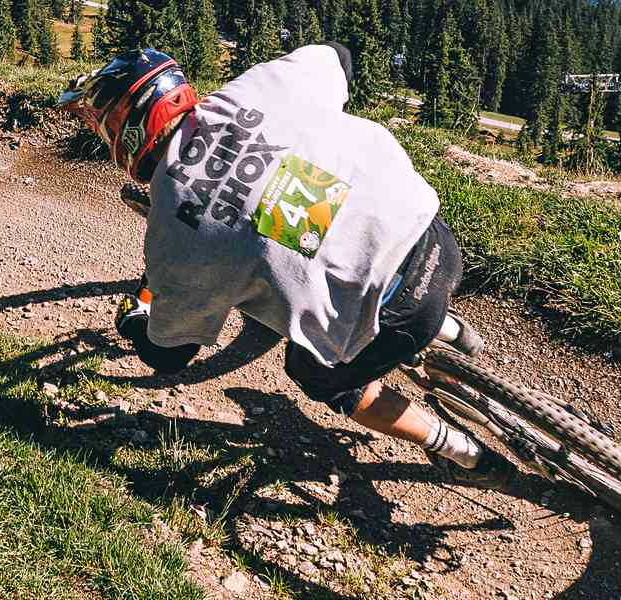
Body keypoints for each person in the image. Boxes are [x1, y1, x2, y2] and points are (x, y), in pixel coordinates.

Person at [56, 43, 516, 489]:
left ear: (126, 131)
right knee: (302, 212)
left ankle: (459, 450)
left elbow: (168, 354)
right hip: (431, 233)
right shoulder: (252, 89)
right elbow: (339, 56)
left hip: (400, 315)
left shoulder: (174, 231)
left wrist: (137, 324)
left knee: (317, 374)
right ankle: (450, 330)